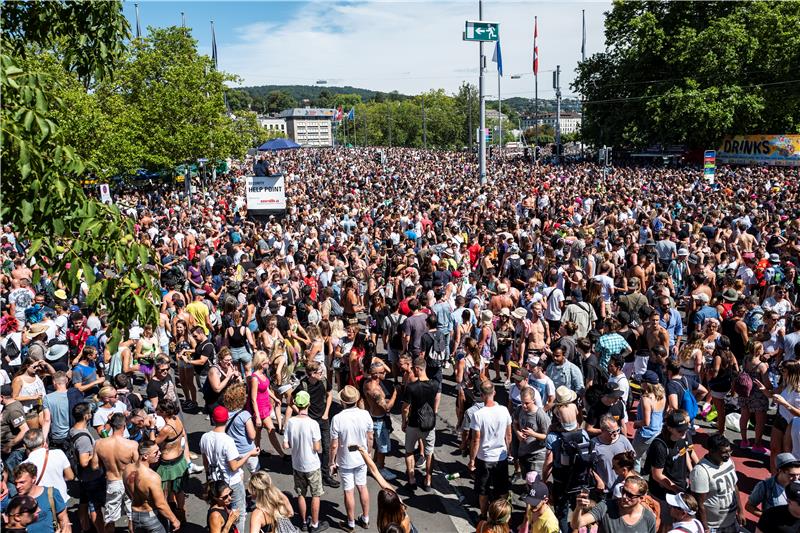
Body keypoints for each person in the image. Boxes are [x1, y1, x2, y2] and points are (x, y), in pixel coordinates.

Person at [201, 405, 260, 533]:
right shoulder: (228, 441)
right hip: (231, 482)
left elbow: (205, 461)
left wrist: (209, 477)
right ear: (227, 419)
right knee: (239, 514)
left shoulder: (205, 437)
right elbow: (234, 466)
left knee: (220, 509)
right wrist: (249, 454)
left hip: (216, 482)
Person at [283, 390, 329, 533]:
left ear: (296, 404)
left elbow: (286, 445)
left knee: (300, 494)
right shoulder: (313, 423)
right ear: (308, 404)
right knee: (315, 495)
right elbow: (317, 447)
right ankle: (314, 524)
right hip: (312, 464)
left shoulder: (290, 422)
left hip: (297, 463)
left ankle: (303, 522)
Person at [330, 385, 373, 533]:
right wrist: (369, 453)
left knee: (349, 491)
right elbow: (370, 437)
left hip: (345, 459)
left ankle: (350, 523)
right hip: (362, 457)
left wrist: (332, 462)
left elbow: (334, 445)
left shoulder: (337, 419)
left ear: (342, 401)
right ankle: (366, 518)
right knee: (362, 486)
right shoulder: (365, 415)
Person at [469, 380, 512, 518]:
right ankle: (503, 514)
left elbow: (476, 440)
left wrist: (471, 460)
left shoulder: (478, 415)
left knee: (483, 490)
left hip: (484, 457)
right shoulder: (504, 410)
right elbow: (508, 434)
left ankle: (483, 515)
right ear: (494, 392)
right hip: (501, 456)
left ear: (482, 395)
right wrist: (509, 450)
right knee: (502, 488)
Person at [292, 361, 338, 488]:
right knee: (312, 448)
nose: (322, 374)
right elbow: (292, 400)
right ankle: (310, 473)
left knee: (327, 447)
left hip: (323, 419)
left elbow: (329, 395)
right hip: (310, 421)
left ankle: (325, 475)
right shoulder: (303, 386)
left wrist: (327, 412)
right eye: (319, 372)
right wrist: (302, 414)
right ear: (311, 374)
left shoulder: (323, 381)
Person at [122, 439, 181, 533]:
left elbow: (128, 491)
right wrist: (174, 520)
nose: (160, 453)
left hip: (135, 515)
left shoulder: (127, 469)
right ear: (145, 456)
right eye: (156, 452)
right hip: (151, 517)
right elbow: (161, 504)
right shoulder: (152, 477)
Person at [94, 412, 139, 533]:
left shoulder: (99, 444)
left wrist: (106, 462)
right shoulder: (132, 445)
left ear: (112, 425)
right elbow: (139, 466)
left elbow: (94, 466)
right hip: (129, 480)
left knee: (110, 517)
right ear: (124, 426)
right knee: (132, 515)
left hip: (113, 481)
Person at [691, 434, 744, 533]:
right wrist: (705, 528)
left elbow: (734, 487)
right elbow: (699, 504)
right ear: (711, 451)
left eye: (729, 451)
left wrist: (740, 511)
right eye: (724, 452)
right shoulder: (701, 471)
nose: (728, 455)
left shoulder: (729, 462)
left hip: (732, 521)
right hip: (714, 527)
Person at [401, 356, 438, 492]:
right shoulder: (435, 384)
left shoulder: (411, 387)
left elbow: (405, 408)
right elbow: (435, 401)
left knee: (409, 451)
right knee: (429, 452)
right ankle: (428, 480)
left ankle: (411, 479)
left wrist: (404, 422)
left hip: (413, 423)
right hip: (429, 424)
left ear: (417, 368)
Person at [571, 475, 657, 533]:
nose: (624, 496)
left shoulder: (648, 518)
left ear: (641, 498)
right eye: (623, 491)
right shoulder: (605, 506)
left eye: (630, 495)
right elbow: (576, 524)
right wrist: (578, 508)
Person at [70, 402, 106, 533]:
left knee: (84, 502)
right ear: (86, 416)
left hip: (83, 477)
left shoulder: (74, 429)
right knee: (95, 507)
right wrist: (97, 450)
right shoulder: (83, 438)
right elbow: (84, 462)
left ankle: (85, 528)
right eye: (90, 412)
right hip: (91, 477)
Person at [8, 463, 71, 533]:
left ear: (33, 479)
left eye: (22, 482)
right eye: (15, 483)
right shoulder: (14, 502)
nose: (17, 486)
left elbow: (64, 519)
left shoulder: (51, 494)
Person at [362, 360, 398, 481]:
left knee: (378, 445)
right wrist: (395, 394)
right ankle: (381, 469)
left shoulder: (367, 382)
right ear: (376, 375)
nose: (385, 374)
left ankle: (375, 464)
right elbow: (387, 407)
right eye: (383, 372)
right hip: (379, 420)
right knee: (382, 446)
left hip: (374, 416)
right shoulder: (375, 390)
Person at [20, 428, 73, 504]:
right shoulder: (59, 453)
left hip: (40, 503)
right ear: (43, 442)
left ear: (25, 446)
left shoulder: (23, 466)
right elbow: (70, 476)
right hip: (61, 498)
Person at [746, 453, 800, 518]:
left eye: (798, 474)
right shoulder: (764, 486)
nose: (796, 478)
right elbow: (749, 506)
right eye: (792, 475)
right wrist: (770, 519)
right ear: (780, 470)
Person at [632, 371, 666, 471]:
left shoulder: (646, 399)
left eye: (642, 381)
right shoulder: (662, 395)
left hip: (646, 434)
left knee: (635, 458)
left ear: (647, 384)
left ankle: (637, 480)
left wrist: (636, 423)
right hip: (658, 431)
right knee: (651, 455)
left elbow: (646, 422)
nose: (640, 383)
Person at [514, 387, 550, 479]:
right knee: (526, 478)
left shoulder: (540, 415)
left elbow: (548, 437)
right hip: (523, 451)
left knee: (535, 481)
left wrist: (533, 434)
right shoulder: (519, 409)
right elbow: (515, 424)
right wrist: (518, 433)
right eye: (522, 402)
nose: (524, 406)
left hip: (537, 454)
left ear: (533, 400)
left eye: (527, 403)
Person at [591, 415, 635, 490]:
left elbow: (632, 458)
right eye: (612, 432)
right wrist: (598, 480)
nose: (616, 433)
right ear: (602, 430)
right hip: (606, 487)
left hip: (623, 486)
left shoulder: (622, 439)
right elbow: (588, 467)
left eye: (617, 430)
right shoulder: (594, 444)